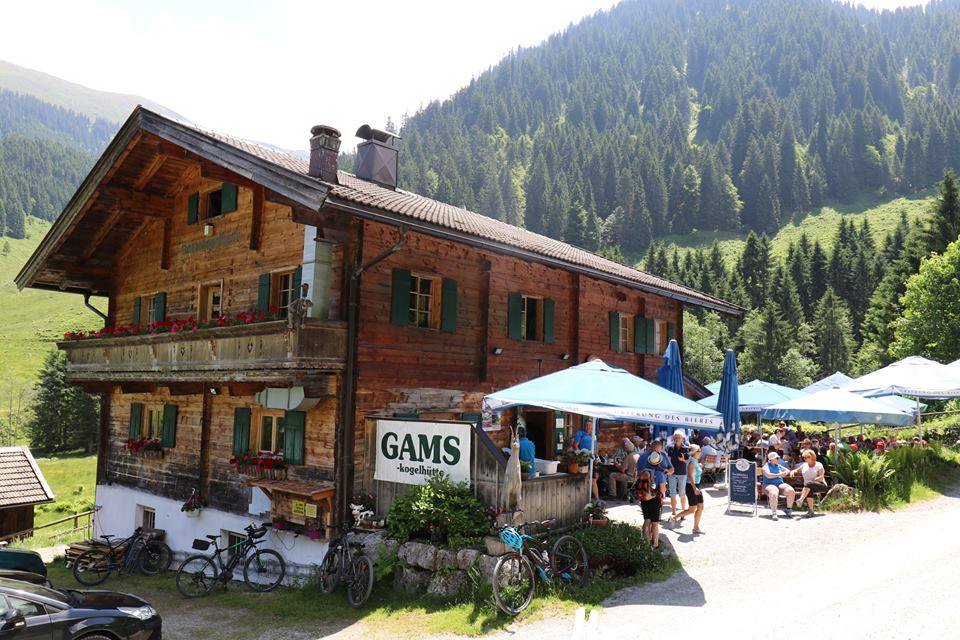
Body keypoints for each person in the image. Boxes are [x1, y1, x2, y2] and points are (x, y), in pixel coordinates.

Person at [668, 444, 705, 534]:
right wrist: (695, 488)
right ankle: (673, 517)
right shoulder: (692, 462)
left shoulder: (693, 460)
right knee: (692, 509)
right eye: (699, 451)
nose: (700, 453)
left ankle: (696, 527)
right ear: (694, 452)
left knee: (700, 506)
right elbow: (691, 476)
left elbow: (686, 461)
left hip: (696, 485)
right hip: (691, 486)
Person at [635, 460, 661, 549]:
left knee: (647, 520)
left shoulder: (642, 472)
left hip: (644, 499)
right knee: (655, 523)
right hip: (654, 500)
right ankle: (655, 544)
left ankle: (645, 543)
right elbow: (662, 489)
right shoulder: (659, 473)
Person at [762, 451, 795, 520]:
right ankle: (774, 513)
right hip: (769, 484)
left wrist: (785, 472)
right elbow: (768, 475)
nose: (778, 459)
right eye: (776, 458)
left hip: (780, 484)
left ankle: (788, 510)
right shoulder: (766, 466)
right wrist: (780, 474)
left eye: (778, 458)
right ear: (771, 459)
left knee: (791, 491)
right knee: (773, 493)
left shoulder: (778, 465)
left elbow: (787, 470)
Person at [795, 448, 827, 516]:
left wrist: (813, 480)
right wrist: (793, 471)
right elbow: (797, 470)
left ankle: (801, 499)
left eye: (807, 457)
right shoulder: (804, 465)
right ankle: (811, 511)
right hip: (808, 487)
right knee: (809, 488)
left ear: (812, 457)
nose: (805, 459)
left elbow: (821, 476)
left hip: (820, 485)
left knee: (809, 484)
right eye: (804, 457)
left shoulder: (818, 464)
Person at [666, 429, 690, 516]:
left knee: (682, 494)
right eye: (675, 437)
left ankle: (683, 512)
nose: (677, 439)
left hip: (682, 473)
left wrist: (683, 460)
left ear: (682, 438)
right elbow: (668, 460)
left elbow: (689, 462)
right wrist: (668, 469)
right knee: (672, 493)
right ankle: (673, 512)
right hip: (672, 473)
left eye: (679, 437)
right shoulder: (671, 448)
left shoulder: (686, 448)